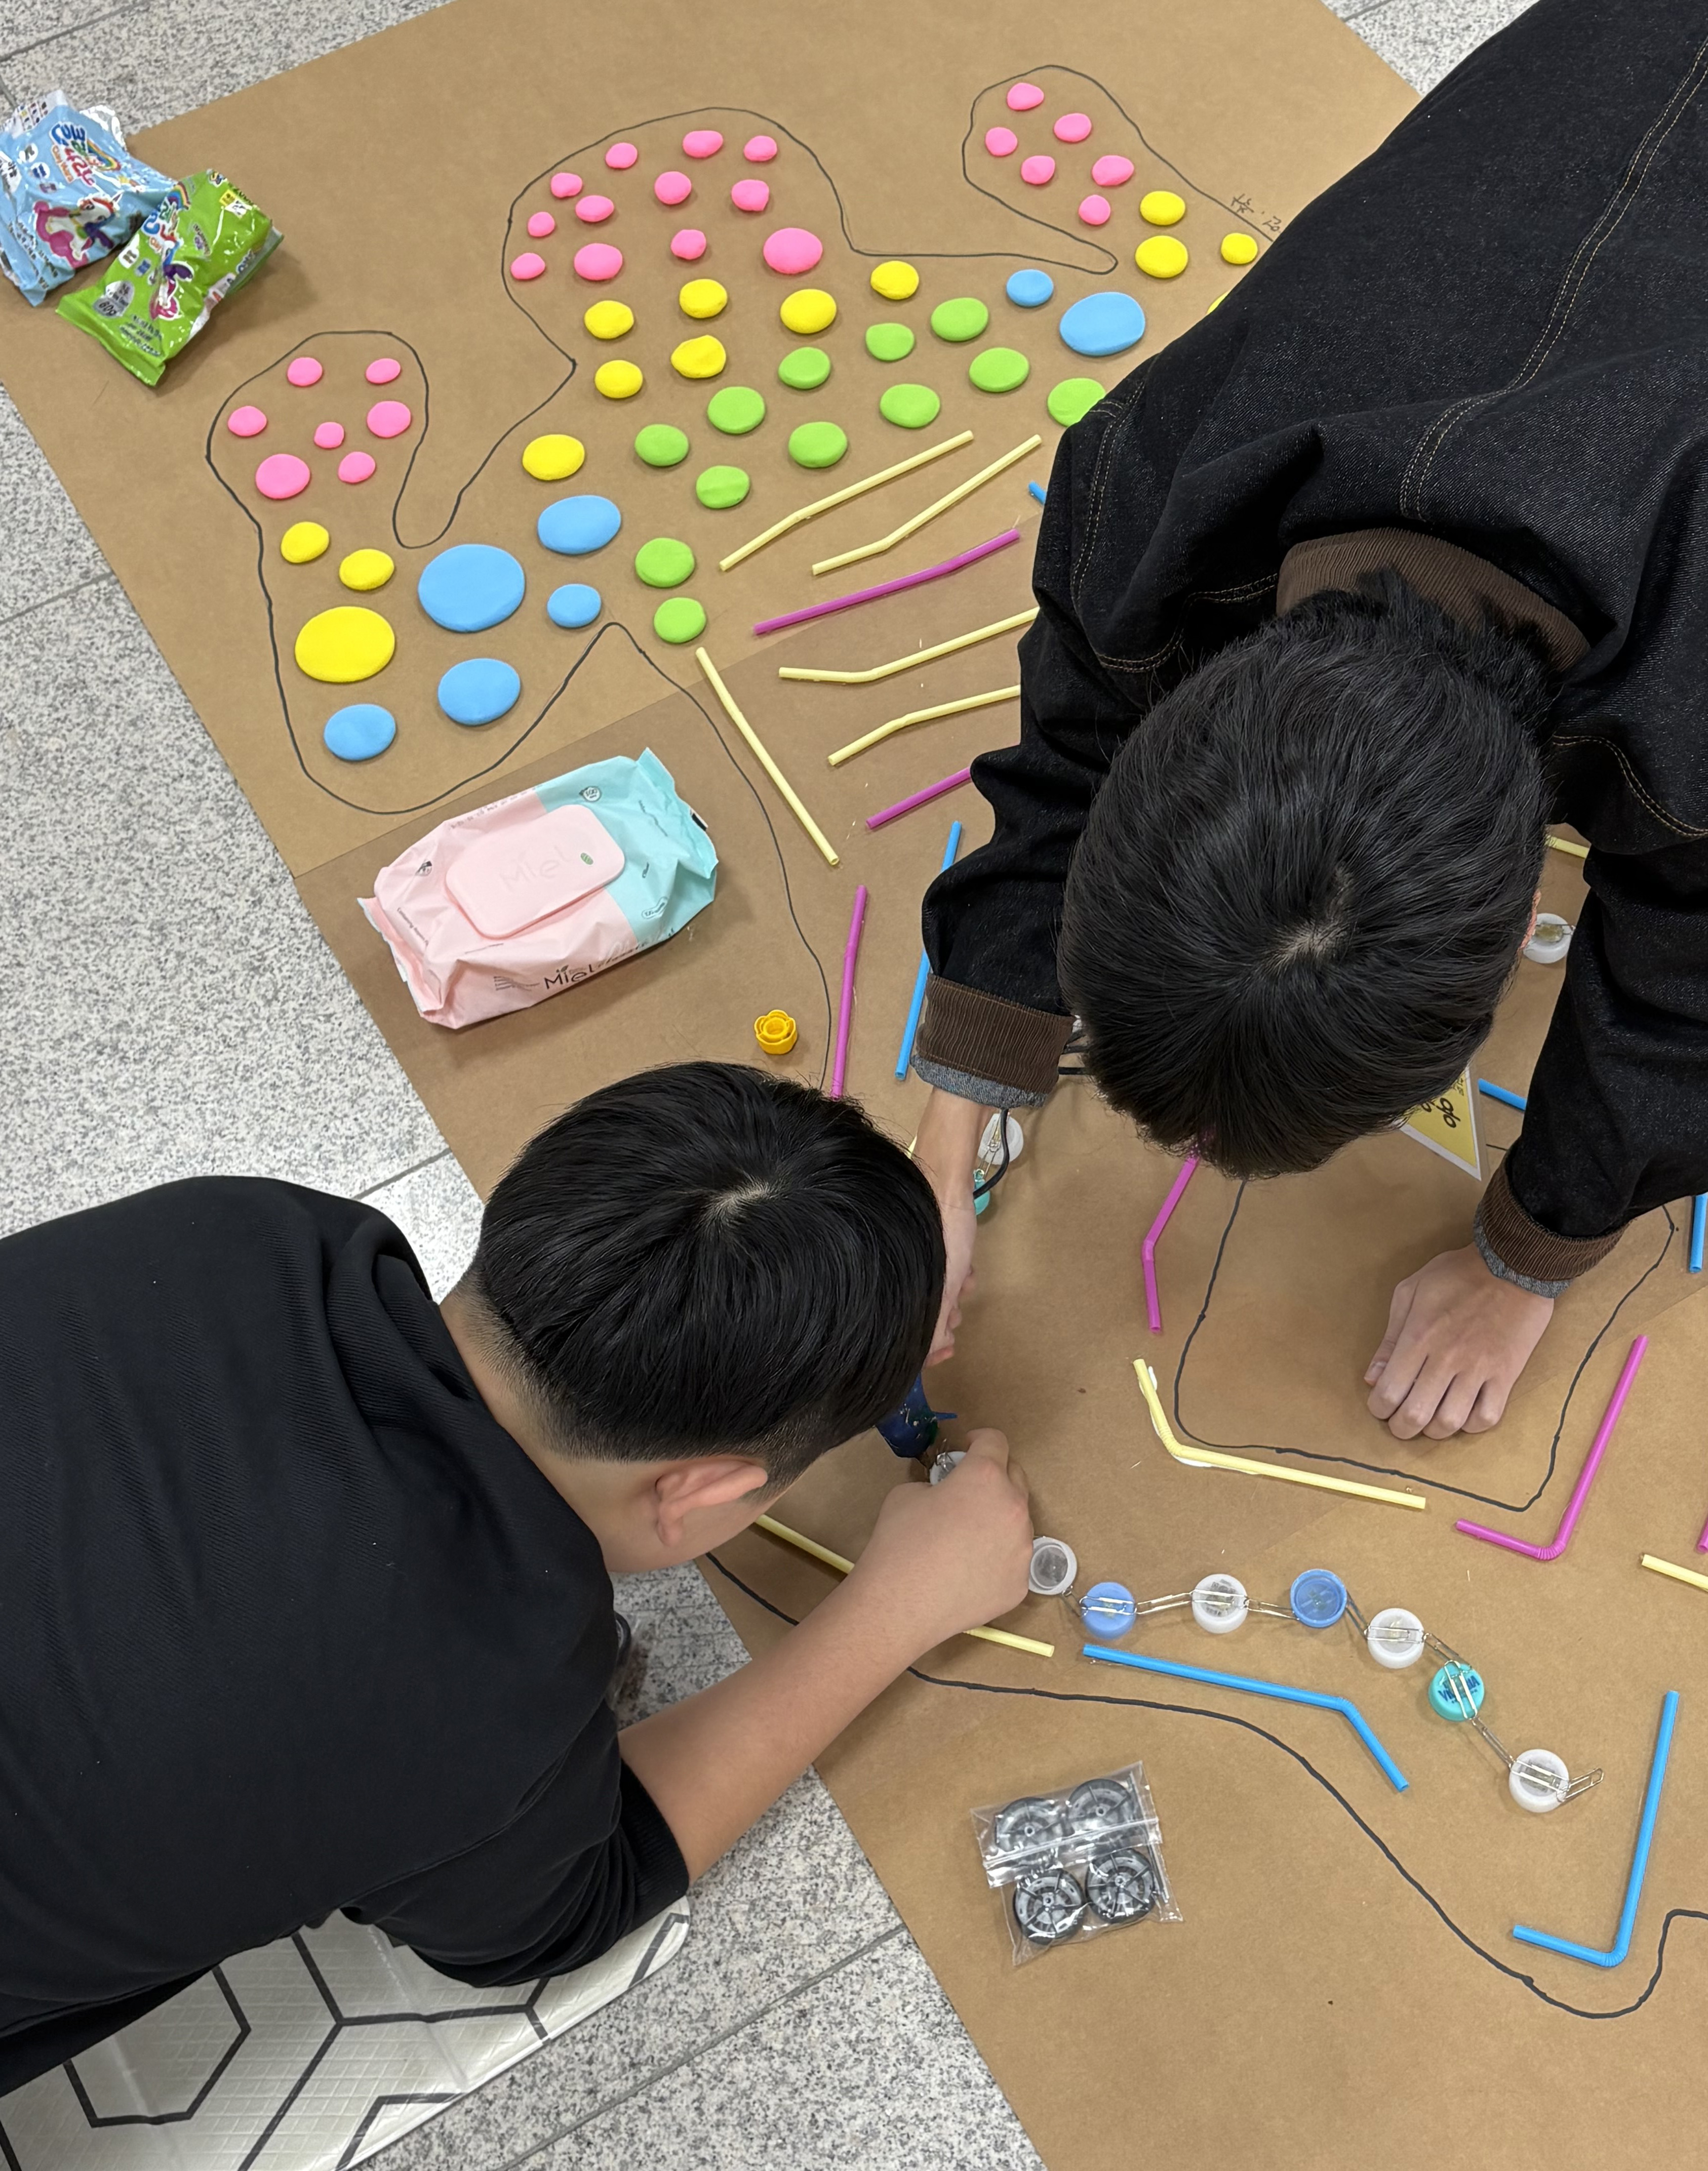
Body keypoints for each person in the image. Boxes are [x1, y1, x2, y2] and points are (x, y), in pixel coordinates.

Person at [911, 0, 1708, 1443]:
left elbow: (1685, 1004)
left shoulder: (1695, 702)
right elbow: (1073, 758)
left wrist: (1521, 1256)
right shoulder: (1151, 486)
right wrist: (943, 1131)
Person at [0, 1063, 1033, 2095]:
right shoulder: (474, 1695)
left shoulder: (237, 1228)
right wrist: (894, 1606)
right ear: (701, 1489)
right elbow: (571, 1903)